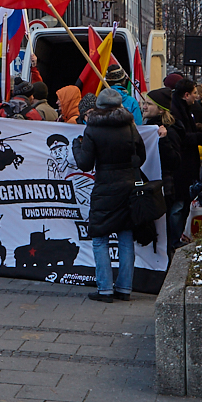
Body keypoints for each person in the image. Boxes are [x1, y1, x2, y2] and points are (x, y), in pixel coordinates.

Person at [73, 88, 147, 302]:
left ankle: (104, 289)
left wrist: (76, 147)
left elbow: (84, 163)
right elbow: (140, 157)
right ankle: (124, 288)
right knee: (125, 239)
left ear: (100, 107)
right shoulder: (131, 127)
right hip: (128, 187)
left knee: (100, 239)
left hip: (105, 188)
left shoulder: (92, 129)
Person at [158, 77, 202, 246]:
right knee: (178, 207)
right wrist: (201, 136)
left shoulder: (188, 108)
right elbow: (182, 138)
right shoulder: (176, 112)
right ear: (186, 95)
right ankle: (174, 239)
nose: (197, 96)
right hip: (181, 168)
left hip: (188, 166)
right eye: (194, 93)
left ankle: (176, 237)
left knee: (183, 204)